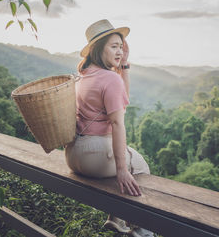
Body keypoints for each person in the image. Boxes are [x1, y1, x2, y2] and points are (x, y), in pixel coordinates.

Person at [64, 19, 154, 237]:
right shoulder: (110, 79)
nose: (120, 52)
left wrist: (124, 66)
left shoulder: (82, 76)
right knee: (140, 168)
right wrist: (122, 170)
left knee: (129, 161)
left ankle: (116, 218)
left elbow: (121, 99)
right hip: (95, 155)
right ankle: (141, 231)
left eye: (121, 47)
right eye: (114, 46)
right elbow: (117, 122)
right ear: (97, 48)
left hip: (74, 156)